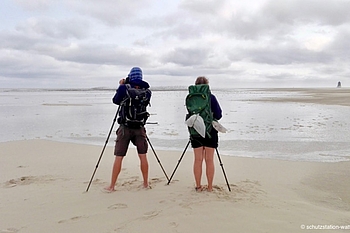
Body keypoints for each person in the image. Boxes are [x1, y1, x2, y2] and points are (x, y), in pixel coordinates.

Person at [104, 67, 151, 192]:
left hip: (125, 127)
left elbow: (116, 101)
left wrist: (121, 85)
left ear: (130, 76)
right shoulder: (147, 91)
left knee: (119, 156)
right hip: (139, 127)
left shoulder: (124, 88)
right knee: (143, 156)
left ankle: (112, 186)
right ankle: (146, 183)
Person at [189, 76, 222, 192]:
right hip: (210, 131)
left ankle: (198, 186)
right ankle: (210, 187)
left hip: (195, 131)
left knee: (197, 160)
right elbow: (218, 115)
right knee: (209, 160)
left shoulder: (191, 97)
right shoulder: (211, 97)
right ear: (207, 85)